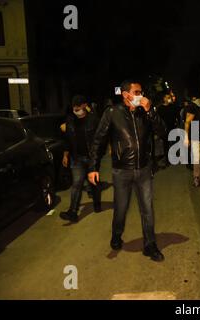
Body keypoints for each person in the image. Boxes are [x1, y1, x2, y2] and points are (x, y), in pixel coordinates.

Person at [87, 79, 166, 262]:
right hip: (121, 172)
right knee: (121, 209)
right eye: (137, 92)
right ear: (126, 95)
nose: (141, 96)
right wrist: (93, 168)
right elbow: (98, 140)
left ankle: (150, 245)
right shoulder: (113, 113)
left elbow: (162, 131)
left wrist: (150, 111)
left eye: (141, 92)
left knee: (147, 209)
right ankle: (116, 234)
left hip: (144, 169)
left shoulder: (145, 113)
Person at [59, 95, 103, 223]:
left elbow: (100, 138)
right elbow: (67, 140)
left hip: (91, 158)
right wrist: (65, 154)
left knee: (93, 183)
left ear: (84, 106)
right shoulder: (70, 120)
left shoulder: (93, 120)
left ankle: (97, 203)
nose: (76, 109)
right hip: (76, 158)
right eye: (74, 107)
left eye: (78, 107)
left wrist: (98, 154)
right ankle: (73, 212)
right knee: (76, 184)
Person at [157, 92, 180, 166]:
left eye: (169, 97)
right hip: (165, 129)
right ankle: (167, 160)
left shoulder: (173, 107)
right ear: (164, 99)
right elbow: (158, 119)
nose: (169, 99)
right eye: (167, 97)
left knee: (174, 143)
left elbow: (178, 116)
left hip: (173, 128)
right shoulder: (160, 108)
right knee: (166, 145)